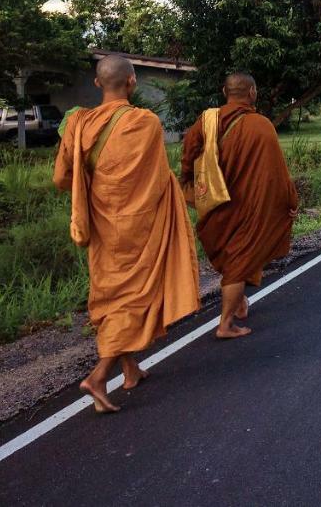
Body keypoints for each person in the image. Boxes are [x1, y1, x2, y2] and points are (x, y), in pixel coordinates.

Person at [53, 55, 200, 413]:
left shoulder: (78, 123)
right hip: (137, 227)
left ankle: (130, 368)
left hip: (102, 227)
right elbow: (154, 181)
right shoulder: (146, 122)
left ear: (98, 83)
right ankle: (99, 376)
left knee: (113, 295)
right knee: (133, 299)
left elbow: (61, 179)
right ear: (132, 82)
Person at [180, 73, 298, 340]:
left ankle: (239, 300)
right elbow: (277, 172)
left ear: (225, 91)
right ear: (253, 93)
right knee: (239, 259)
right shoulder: (262, 125)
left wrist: (188, 181)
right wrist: (291, 200)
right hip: (249, 205)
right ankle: (225, 324)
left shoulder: (207, 121)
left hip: (215, 203)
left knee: (233, 255)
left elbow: (188, 154)